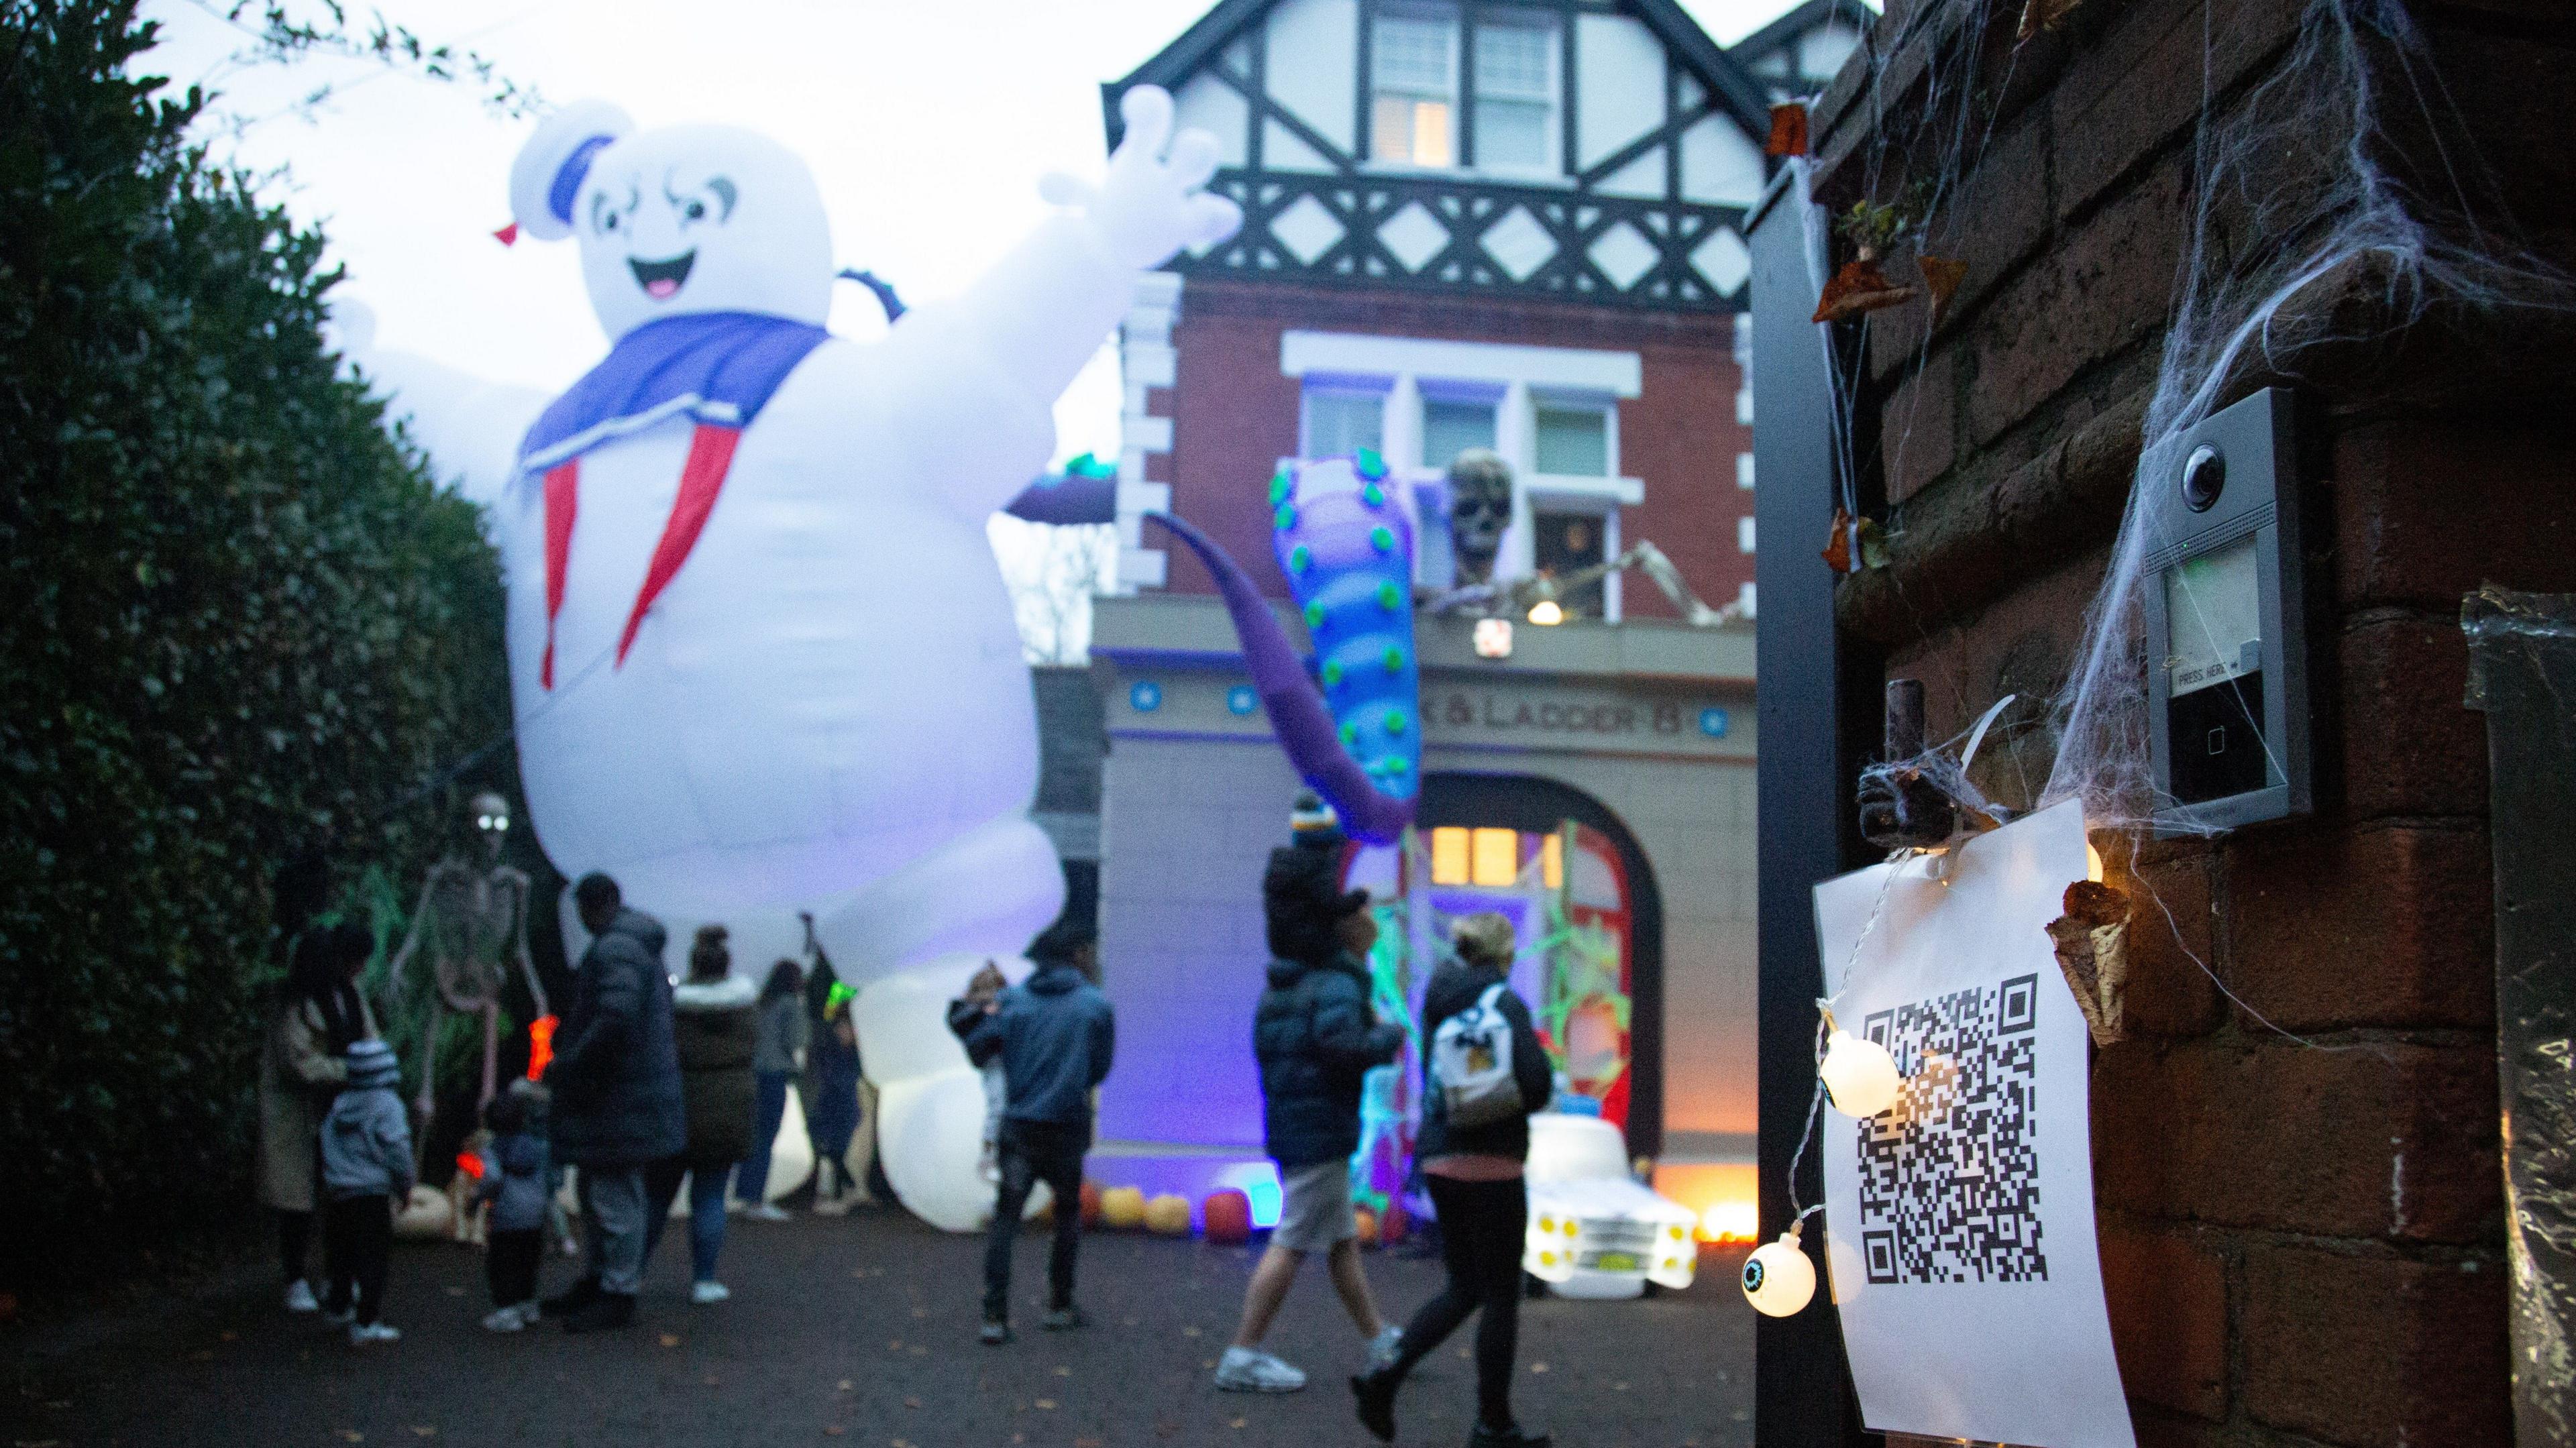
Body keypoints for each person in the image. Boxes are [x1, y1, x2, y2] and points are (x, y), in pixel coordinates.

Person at [1218, 794, 1406, 1394]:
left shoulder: (1287, 986)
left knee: (1340, 1241)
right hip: (1320, 1128)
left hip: (1299, 1124)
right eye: (1367, 928)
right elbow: (1340, 1046)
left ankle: (1380, 1339)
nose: (1372, 933)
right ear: (1346, 933)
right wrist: (1386, 1039)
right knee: (1294, 1241)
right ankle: (1242, 1354)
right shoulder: (1334, 985)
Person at [1351, 912, 1555, 1448]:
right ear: (1501, 954)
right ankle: (1493, 1425)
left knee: (1465, 1285)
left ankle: (1385, 1374)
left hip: (1440, 1158)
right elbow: (1536, 1086)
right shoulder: (1505, 1005)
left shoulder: (1437, 1000)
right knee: (1501, 1296)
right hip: (1495, 1163)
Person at [540, 872, 684, 1333]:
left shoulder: (615, 949)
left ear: (589, 906)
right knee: (607, 1192)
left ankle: (616, 1290)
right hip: (627, 1096)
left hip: (615, 1097)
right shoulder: (634, 946)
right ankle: (602, 1282)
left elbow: (614, 1019)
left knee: (614, 1196)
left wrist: (569, 1063)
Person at [965, 919, 1114, 1345]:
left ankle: (995, 1316)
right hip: (1066, 1127)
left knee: (1005, 1219)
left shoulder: (1013, 1002)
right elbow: (1100, 1068)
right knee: (1067, 1215)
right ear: (1077, 957)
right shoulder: (1095, 1005)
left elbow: (980, 1049)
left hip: (1019, 1128)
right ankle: (1058, 1306)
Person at [256, 922, 378, 1314]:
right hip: (297, 1112)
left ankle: (336, 1276)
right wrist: (355, 1069)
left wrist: (370, 1066)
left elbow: (370, 1038)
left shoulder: (349, 994)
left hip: (338, 1110)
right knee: (297, 1201)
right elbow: (300, 1064)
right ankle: (295, 1277)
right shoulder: (290, 1003)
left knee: (340, 1196)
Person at [643, 926, 758, 1302]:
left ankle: (630, 1273)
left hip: (676, 1107)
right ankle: (704, 1281)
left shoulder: (673, 1008)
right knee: (710, 1197)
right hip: (727, 1109)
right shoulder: (744, 1008)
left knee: (657, 1197)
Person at [318, 1038, 415, 1345]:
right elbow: (398, 1151)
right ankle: (367, 1321)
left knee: (342, 1254)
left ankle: (339, 1306)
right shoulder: (388, 1105)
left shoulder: (340, 1104)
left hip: (340, 1193)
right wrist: (405, 1185)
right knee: (373, 1258)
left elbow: (326, 1144)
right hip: (371, 1193)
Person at [470, 1081, 552, 1332]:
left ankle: (507, 1312)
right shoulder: (536, 1146)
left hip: (508, 1217)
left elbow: (492, 1179)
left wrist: (476, 1200)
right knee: (528, 1262)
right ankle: (528, 1305)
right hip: (535, 1215)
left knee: (502, 1264)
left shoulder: (493, 1150)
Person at [731, 954, 806, 1219]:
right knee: (766, 1138)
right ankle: (756, 1200)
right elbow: (796, 1039)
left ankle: (745, 1194)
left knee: (753, 1136)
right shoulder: (791, 1005)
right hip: (775, 1074)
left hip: (753, 1073)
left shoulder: (762, 1003)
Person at [947, 960, 1010, 1182]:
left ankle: (994, 1157)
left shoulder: (1003, 1010)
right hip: (997, 1063)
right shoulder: (971, 1016)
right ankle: (991, 1157)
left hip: (1010, 1065)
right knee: (1000, 1107)